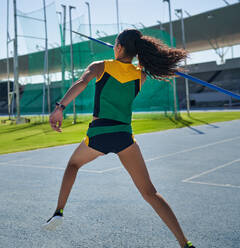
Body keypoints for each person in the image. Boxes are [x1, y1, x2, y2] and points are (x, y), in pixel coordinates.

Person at [43, 29, 195, 248]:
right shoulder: (140, 75)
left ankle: (58, 211)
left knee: (73, 165)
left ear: (120, 47)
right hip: (124, 137)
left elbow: (82, 83)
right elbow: (136, 67)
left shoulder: (101, 66)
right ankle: (184, 243)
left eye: (116, 43)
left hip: (100, 133)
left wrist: (60, 108)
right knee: (150, 193)